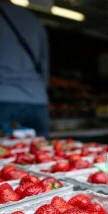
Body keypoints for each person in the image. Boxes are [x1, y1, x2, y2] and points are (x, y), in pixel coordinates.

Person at [0, 0, 50, 137]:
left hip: (4, 98)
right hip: (37, 100)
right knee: (41, 153)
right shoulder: (33, 19)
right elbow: (44, 65)